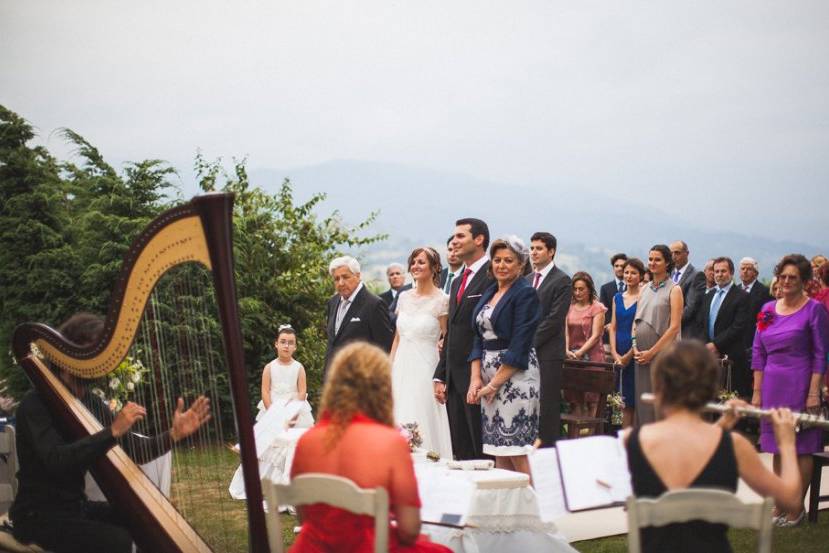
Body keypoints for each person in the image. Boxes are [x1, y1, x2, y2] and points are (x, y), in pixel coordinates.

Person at [10, 313, 211, 553]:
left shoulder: (90, 402)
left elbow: (136, 451)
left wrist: (173, 435)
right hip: (38, 515)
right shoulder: (34, 404)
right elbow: (57, 461)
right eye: (92, 354)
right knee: (119, 541)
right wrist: (112, 431)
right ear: (71, 354)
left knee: (143, 520)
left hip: (75, 507)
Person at [624, 341, 802, 553]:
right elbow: (791, 500)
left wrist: (723, 425)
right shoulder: (734, 446)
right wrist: (788, 444)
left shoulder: (631, 441)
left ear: (659, 386)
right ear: (711, 389)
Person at [290, 343, 451, 553]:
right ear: (382, 389)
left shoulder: (307, 441)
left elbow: (305, 516)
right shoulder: (391, 443)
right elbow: (409, 529)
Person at [751, 254, 829, 526]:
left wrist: (812, 392)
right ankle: (779, 505)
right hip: (772, 384)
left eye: (792, 277)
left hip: (800, 382)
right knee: (775, 445)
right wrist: (757, 391)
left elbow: (821, 354)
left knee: (801, 447)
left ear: (804, 281)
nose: (785, 281)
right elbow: (758, 351)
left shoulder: (815, 310)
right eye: (782, 276)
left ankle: (796, 509)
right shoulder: (767, 309)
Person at [467, 237, 540, 477]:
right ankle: (506, 508)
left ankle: (535, 506)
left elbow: (520, 344)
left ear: (521, 265)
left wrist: (494, 384)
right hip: (487, 377)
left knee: (516, 448)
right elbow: (478, 336)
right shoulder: (490, 291)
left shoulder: (525, 293)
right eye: (497, 260)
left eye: (509, 260)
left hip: (515, 377)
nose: (501, 265)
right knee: (498, 447)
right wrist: (476, 378)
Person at [229, 325, 313, 499]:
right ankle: (263, 484)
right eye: (283, 342)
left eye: (291, 343)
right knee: (267, 444)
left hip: (295, 412)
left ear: (295, 346)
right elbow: (265, 391)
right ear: (276, 344)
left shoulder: (299, 368)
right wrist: (274, 414)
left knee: (294, 444)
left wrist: (293, 414)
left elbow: (302, 392)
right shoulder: (269, 367)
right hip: (272, 411)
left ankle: (290, 483)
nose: (286, 346)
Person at [433, 218, 493, 460]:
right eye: (453, 237)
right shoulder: (458, 280)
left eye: (460, 236)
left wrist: (478, 376)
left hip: (479, 376)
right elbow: (452, 331)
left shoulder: (491, 276)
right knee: (461, 450)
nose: (454, 241)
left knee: (481, 450)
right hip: (454, 378)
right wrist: (440, 373)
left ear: (478, 240)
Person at [390, 247, 452, 459]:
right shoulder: (404, 297)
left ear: (434, 268)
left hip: (426, 367)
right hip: (400, 366)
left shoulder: (442, 300)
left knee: (422, 413)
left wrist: (442, 375)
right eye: (413, 262)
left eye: (421, 262)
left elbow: (447, 337)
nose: (415, 266)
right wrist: (388, 367)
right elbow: (397, 337)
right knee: (397, 411)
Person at [527, 231, 571, 446]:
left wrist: (529, 342)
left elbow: (555, 319)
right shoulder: (526, 279)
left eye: (539, 248)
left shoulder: (561, 280)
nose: (534, 252)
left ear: (551, 252)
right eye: (532, 248)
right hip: (525, 352)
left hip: (548, 353)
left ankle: (547, 451)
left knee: (547, 405)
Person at [633, 244, 683, 425]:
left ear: (667, 262)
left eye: (657, 259)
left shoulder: (674, 289)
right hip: (641, 355)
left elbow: (674, 327)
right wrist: (635, 348)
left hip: (662, 355)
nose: (652, 263)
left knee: (660, 400)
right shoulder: (644, 288)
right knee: (643, 400)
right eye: (650, 259)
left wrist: (652, 353)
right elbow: (635, 321)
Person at [324, 256, 394, 377]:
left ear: (358, 275)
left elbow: (384, 348)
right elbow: (333, 343)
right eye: (336, 279)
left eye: (345, 277)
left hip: (361, 382)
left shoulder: (374, 305)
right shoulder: (333, 302)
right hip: (333, 380)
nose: (341, 282)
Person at [702, 257, 751, 398]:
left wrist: (716, 345)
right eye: (716, 271)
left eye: (723, 271)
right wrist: (707, 345)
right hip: (710, 358)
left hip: (732, 358)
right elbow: (702, 323)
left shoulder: (742, 297)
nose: (719, 274)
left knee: (730, 401)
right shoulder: (709, 295)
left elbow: (738, 326)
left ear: (732, 273)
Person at [564, 272, 607, 420]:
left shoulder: (597, 308)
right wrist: (567, 350)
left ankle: (589, 438)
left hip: (592, 358)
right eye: (575, 289)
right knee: (575, 401)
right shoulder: (568, 307)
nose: (577, 292)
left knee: (591, 401)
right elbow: (565, 332)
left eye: (581, 289)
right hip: (572, 359)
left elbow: (596, 335)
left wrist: (580, 352)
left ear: (589, 289)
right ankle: (574, 439)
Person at [609, 258, 644, 429]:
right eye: (627, 272)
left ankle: (631, 441)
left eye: (633, 273)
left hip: (635, 350)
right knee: (619, 401)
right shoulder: (617, 297)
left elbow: (639, 328)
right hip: (618, 352)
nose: (629, 276)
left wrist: (629, 354)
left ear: (641, 276)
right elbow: (613, 327)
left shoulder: (643, 297)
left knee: (632, 400)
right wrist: (615, 354)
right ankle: (620, 438)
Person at [669, 241, 706, 339]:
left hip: (685, 333)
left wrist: (669, 322)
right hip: (668, 333)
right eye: (671, 254)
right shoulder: (669, 274)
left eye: (677, 253)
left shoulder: (697, 275)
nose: (673, 257)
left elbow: (690, 308)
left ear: (687, 253)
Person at [738, 257, 771, 356]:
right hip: (737, 341)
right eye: (743, 269)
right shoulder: (735, 290)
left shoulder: (765, 292)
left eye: (749, 269)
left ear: (756, 273)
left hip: (754, 340)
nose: (745, 271)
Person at [599, 253, 628, 343]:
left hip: (628, 332)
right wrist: (612, 325)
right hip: (609, 333)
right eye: (616, 266)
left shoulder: (634, 287)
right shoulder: (605, 288)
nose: (619, 268)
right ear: (613, 268)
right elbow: (604, 310)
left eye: (622, 266)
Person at [380, 263, 413, 329]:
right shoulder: (380, 299)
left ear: (404, 276)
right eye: (391, 274)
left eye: (398, 273)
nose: (395, 276)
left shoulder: (413, 295)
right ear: (388, 278)